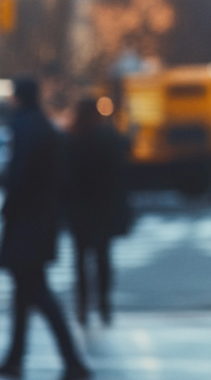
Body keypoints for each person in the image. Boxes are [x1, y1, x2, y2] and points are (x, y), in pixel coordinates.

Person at [0, 77, 90, 380]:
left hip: (27, 222)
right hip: (41, 220)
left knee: (37, 291)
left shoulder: (24, 127)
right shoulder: (44, 126)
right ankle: (16, 356)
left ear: (18, 97)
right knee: (25, 292)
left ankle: (71, 360)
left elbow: (20, 174)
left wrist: (9, 206)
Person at [63, 96, 131, 326]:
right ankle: (103, 302)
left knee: (81, 259)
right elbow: (122, 170)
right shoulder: (108, 138)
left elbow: (64, 175)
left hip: (79, 209)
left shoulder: (71, 139)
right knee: (102, 257)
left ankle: (82, 304)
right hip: (103, 208)